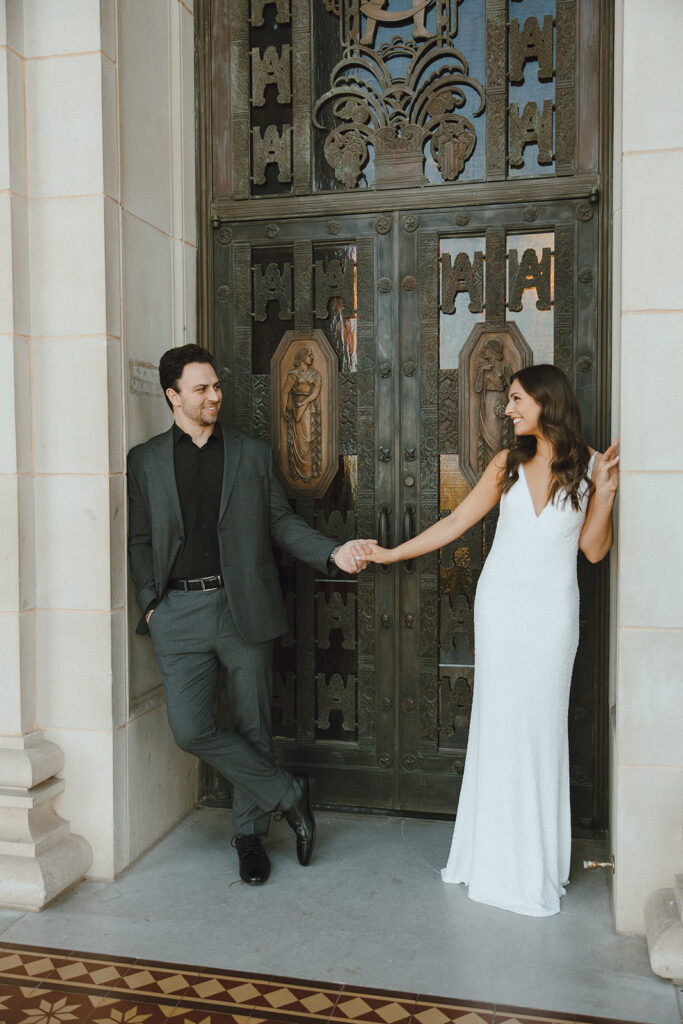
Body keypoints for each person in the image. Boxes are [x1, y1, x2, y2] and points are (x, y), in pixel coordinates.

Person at [365, 364, 619, 916]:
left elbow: (595, 551)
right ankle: (494, 859)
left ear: (547, 402)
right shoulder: (507, 464)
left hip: (553, 617)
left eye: (516, 399)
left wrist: (604, 494)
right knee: (500, 724)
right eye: (508, 400)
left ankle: (537, 864)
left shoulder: (593, 465)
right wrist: (391, 553)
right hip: (501, 609)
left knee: (541, 729)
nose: (508, 410)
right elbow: (456, 522)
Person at [127, 344, 373, 885]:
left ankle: (249, 837)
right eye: (202, 388)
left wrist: (331, 552)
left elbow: (281, 524)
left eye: (217, 386)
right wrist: (151, 603)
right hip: (178, 612)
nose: (215, 396)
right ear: (173, 396)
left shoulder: (250, 455)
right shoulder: (144, 460)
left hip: (244, 608)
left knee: (253, 725)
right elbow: (141, 538)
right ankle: (289, 793)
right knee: (190, 730)